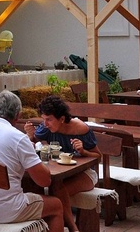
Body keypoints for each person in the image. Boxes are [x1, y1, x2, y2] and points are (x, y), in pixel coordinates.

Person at [0, 91, 64, 232]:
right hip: (6, 211)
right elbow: (44, 181)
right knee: (56, 205)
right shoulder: (18, 138)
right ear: (18, 116)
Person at [24, 95, 101, 232]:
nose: (45, 124)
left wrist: (83, 151)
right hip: (60, 174)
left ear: (62, 119)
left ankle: (72, 228)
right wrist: (31, 136)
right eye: (43, 119)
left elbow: (98, 156)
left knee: (57, 189)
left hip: (84, 173)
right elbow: (35, 141)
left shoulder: (80, 129)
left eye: (49, 119)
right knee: (35, 183)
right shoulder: (46, 128)